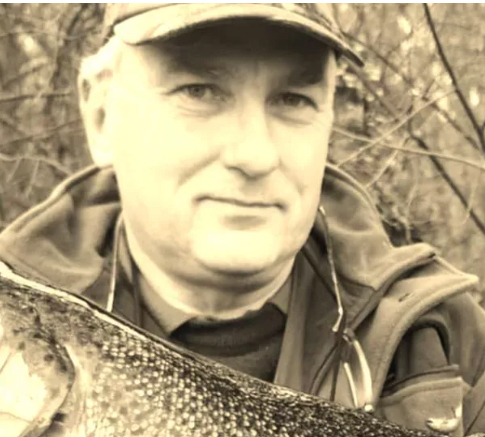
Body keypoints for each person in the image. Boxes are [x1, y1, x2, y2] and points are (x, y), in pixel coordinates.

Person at [0, 4, 484, 435]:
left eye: (293, 99)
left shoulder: (451, 342)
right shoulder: (14, 321)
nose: (255, 155)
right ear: (101, 116)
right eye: (199, 90)